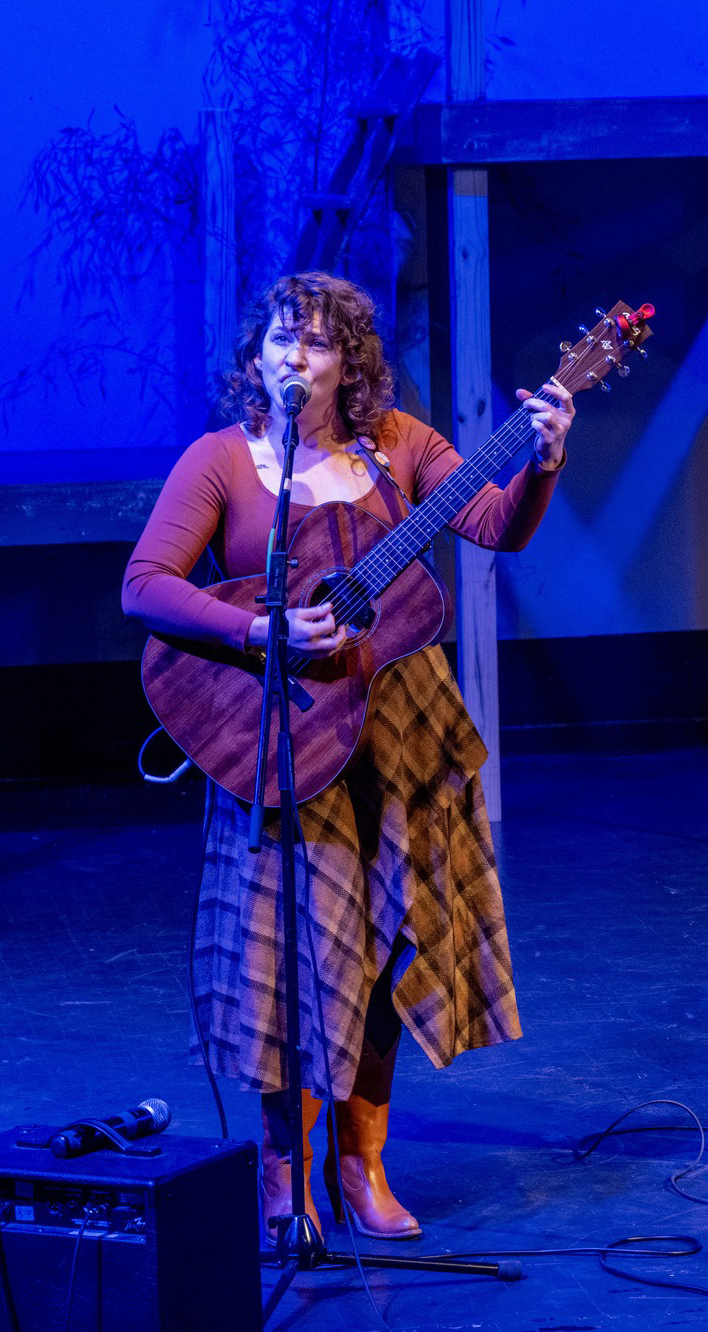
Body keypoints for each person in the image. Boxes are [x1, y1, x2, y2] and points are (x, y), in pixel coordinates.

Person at [122, 271, 573, 1239]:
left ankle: (360, 1164)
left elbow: (495, 524)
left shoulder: (399, 447)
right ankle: (283, 1173)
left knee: (384, 951)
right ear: (255, 356)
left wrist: (541, 462)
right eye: (280, 338)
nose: (295, 355)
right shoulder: (223, 462)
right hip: (285, 742)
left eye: (317, 343)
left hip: (397, 738)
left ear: (348, 364)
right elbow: (145, 585)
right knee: (287, 960)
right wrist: (262, 633)